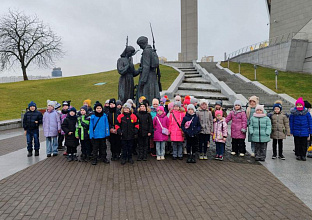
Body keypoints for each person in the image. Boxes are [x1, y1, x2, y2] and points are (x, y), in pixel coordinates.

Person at [136, 36, 160, 105]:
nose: (140, 47)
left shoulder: (146, 51)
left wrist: (143, 80)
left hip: (147, 77)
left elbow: (146, 66)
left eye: (140, 45)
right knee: (152, 93)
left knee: (145, 94)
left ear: (142, 44)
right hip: (153, 76)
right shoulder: (152, 50)